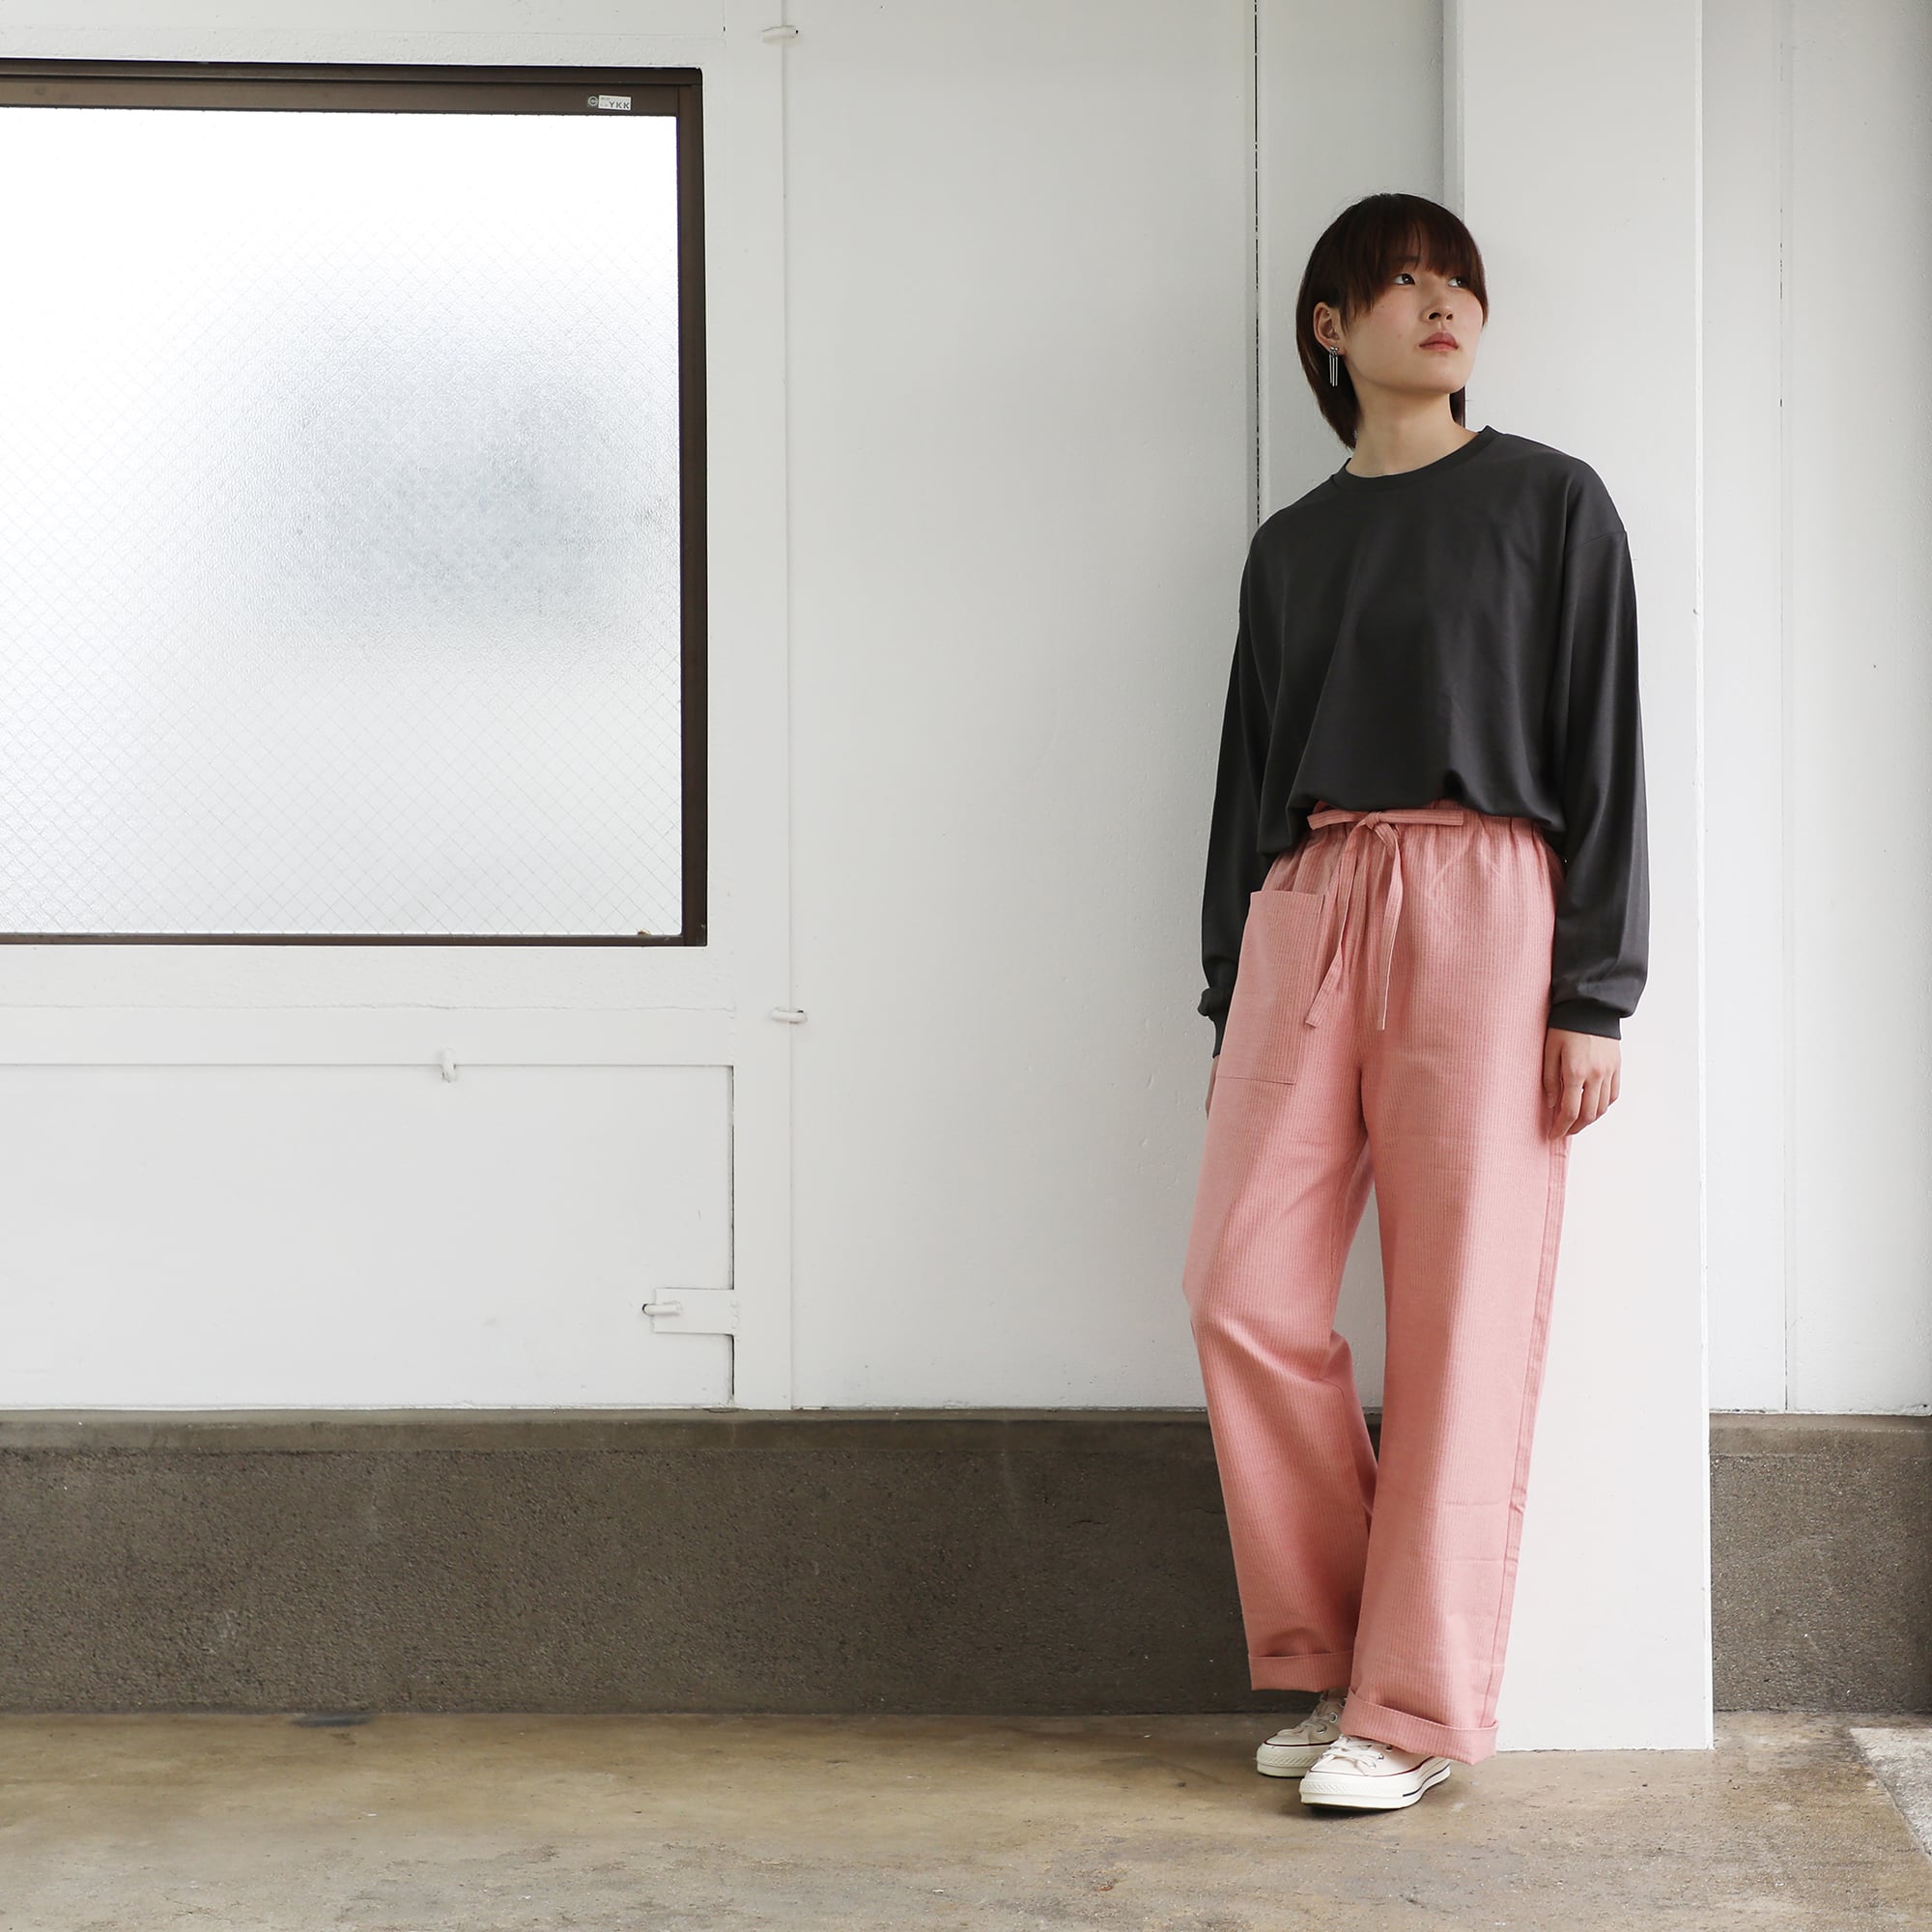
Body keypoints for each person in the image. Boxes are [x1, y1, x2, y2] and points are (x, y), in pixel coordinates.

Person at [1180, 192, 1649, 1814]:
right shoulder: (1290, 547)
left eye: (1460, 282)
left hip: (1486, 900)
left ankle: (1418, 1702)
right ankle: (1336, 1656)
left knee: (1461, 1315)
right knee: (1240, 1291)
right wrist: (1230, 991)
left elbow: (1605, 754)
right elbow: (1247, 781)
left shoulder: (1550, 501)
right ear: (1332, 328)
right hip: (1309, 901)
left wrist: (1594, 991)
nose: (1443, 304)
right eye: (1403, 283)